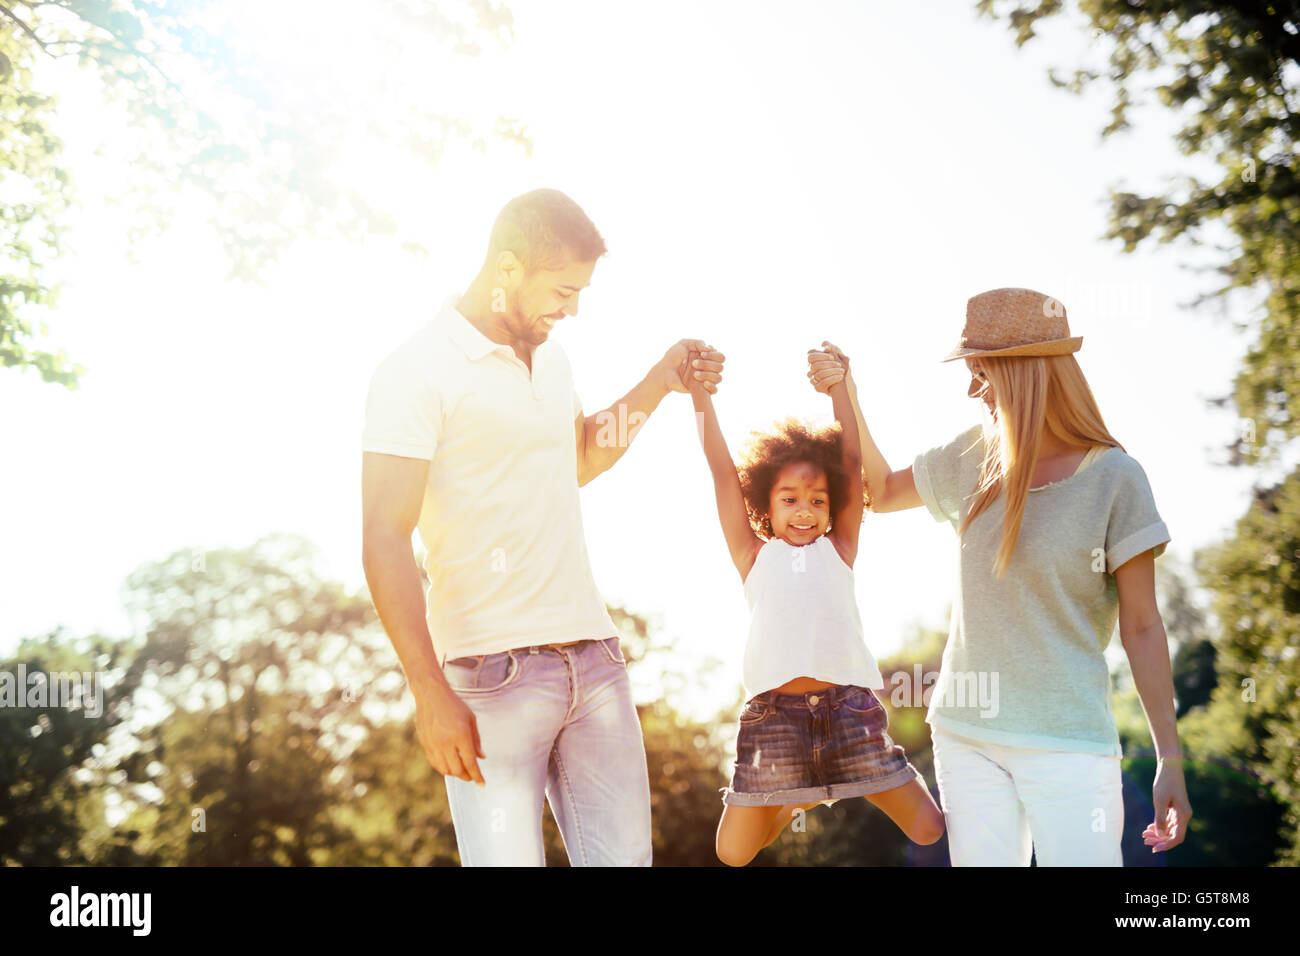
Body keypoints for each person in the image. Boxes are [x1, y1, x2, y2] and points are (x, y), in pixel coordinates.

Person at [360, 188, 725, 866]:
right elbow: (384, 535)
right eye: (562, 290)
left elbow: (580, 455)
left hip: (595, 660)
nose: (573, 309)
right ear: (507, 269)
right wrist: (426, 688)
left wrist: (659, 381)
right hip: (489, 678)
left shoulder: (552, 360)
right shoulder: (414, 372)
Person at [806, 287, 1192, 866]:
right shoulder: (973, 457)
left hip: (1069, 744)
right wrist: (846, 394)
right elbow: (879, 493)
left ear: (1022, 374)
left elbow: (1142, 627)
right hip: (966, 737)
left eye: (980, 372)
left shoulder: (1116, 479)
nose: (970, 389)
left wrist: (1170, 757)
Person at [686, 348, 945, 866]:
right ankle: (807, 790)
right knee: (733, 853)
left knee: (929, 828)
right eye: (790, 499)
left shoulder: (840, 547)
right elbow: (720, 472)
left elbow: (851, 463)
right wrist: (700, 395)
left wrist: (839, 392)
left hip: (848, 713)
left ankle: (835, 777)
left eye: (818, 500)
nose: (805, 511)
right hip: (773, 721)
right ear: (765, 503)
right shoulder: (752, 555)